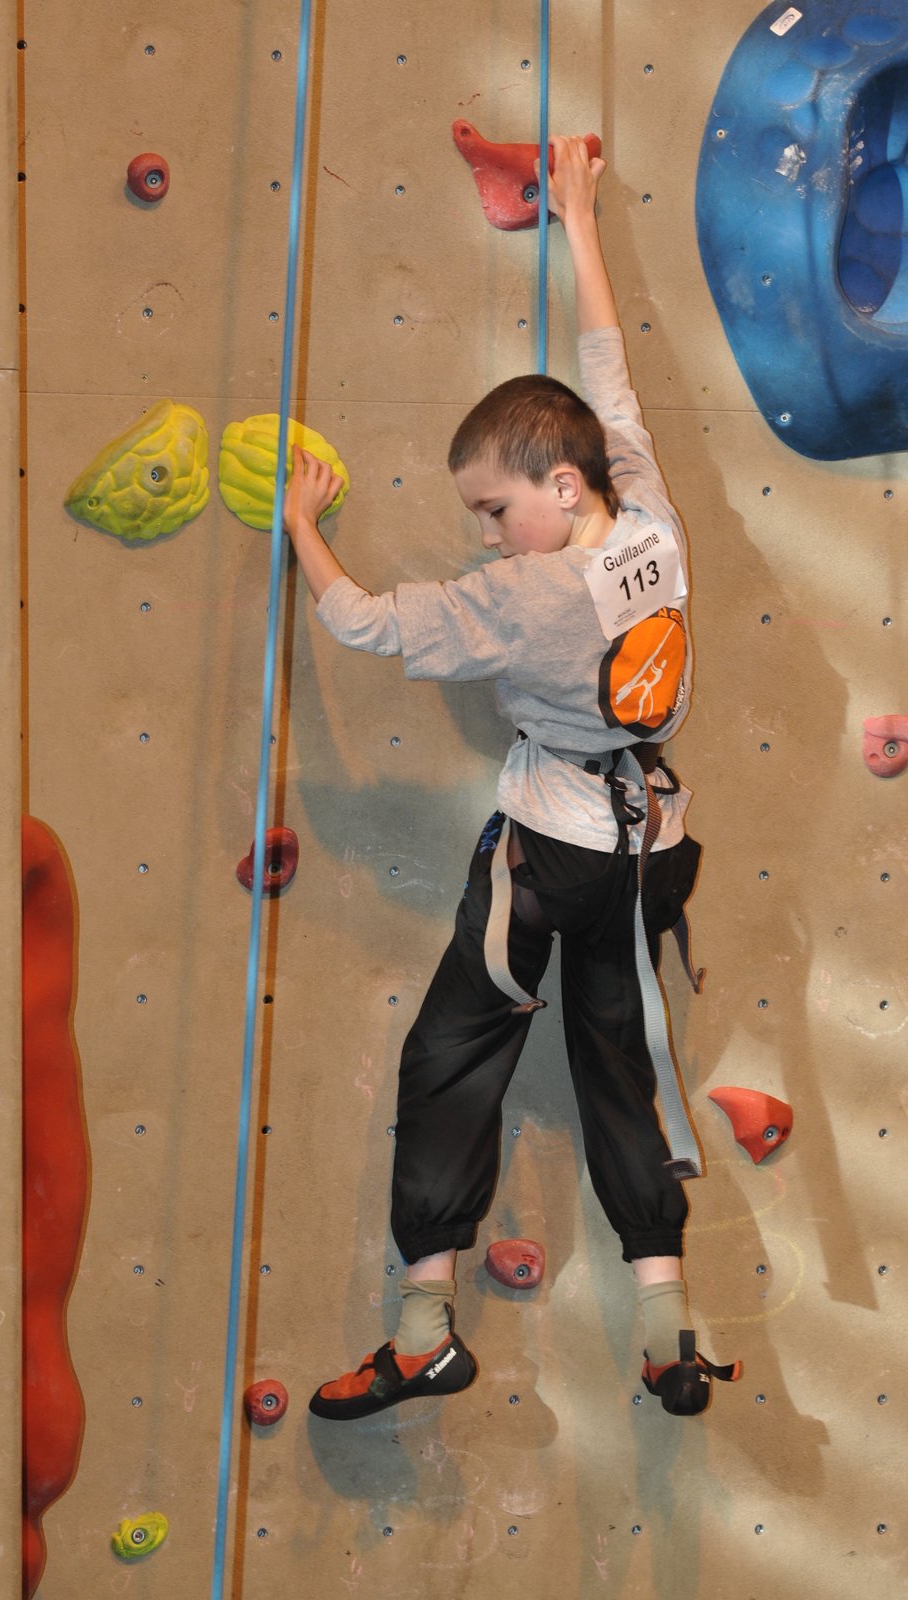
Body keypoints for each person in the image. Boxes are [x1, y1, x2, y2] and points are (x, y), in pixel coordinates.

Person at [282, 136, 740, 1419]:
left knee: (452, 1054)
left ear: (557, 486)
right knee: (617, 1072)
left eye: (492, 511)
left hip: (551, 853)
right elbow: (611, 380)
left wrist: (304, 527)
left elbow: (364, 621)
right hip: (651, 850)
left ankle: (423, 1328)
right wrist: (578, 220)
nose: (486, 535)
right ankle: (667, 1332)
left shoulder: (524, 596)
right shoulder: (650, 525)